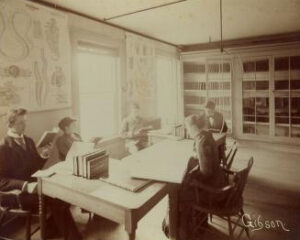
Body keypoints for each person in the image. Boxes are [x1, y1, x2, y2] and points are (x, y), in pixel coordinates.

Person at [0, 108, 82, 240]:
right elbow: (1, 181)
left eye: (25, 122)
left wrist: (44, 155)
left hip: (34, 187)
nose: (24, 126)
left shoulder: (28, 141)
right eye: (20, 123)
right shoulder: (3, 146)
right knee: (55, 199)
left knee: (62, 193)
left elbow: (35, 167)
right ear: (11, 124)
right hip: (16, 194)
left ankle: (51, 229)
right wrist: (25, 185)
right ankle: (73, 237)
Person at [163, 113, 227, 240]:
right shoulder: (207, 135)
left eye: (189, 128)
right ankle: (195, 224)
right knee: (184, 185)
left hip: (214, 192)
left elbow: (206, 172)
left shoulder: (201, 141)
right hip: (218, 182)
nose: (188, 131)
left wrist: (192, 179)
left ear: (194, 128)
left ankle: (178, 232)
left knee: (177, 193)